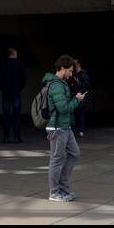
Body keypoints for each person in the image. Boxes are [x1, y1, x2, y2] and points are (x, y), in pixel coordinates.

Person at [42, 54, 85, 202]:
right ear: (62, 68)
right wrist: (77, 100)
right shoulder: (56, 85)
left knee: (74, 153)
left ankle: (63, 189)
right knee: (56, 159)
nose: (71, 74)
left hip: (64, 126)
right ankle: (54, 192)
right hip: (57, 128)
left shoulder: (60, 84)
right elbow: (63, 108)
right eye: (70, 71)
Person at [0, 47, 26, 143]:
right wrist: (19, 88)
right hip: (16, 92)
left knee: (6, 115)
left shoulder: (3, 64)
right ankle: (17, 137)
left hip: (6, 92)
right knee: (16, 115)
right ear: (14, 54)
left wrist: (3, 88)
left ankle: (6, 137)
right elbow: (24, 78)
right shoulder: (19, 64)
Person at [71, 58, 91, 138]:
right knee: (72, 114)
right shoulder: (73, 74)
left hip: (80, 96)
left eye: (75, 64)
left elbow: (87, 86)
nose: (73, 65)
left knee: (80, 113)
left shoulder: (83, 74)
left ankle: (81, 130)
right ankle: (72, 130)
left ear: (79, 64)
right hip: (73, 96)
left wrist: (77, 81)